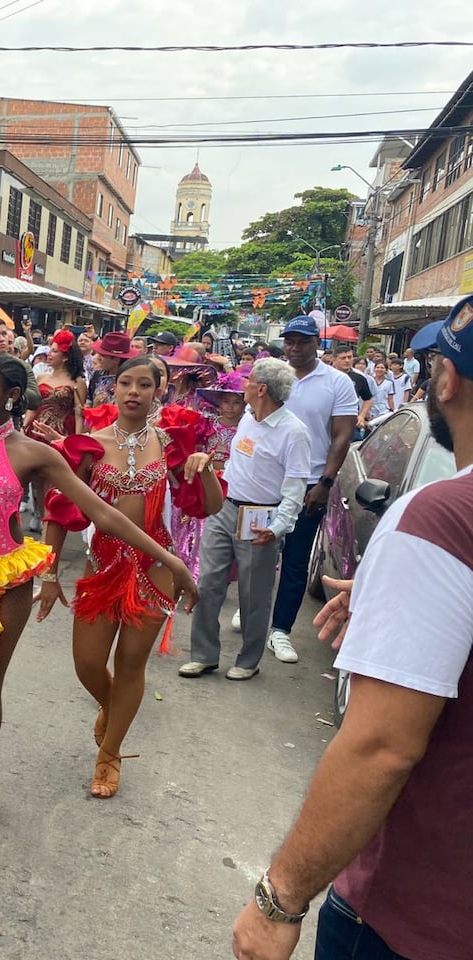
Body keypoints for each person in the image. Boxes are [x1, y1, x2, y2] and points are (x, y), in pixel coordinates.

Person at [230, 295, 473, 960]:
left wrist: (280, 896)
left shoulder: (442, 519)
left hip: (417, 916)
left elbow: (381, 748)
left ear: (443, 382)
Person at [0, 356, 202, 830]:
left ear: (11, 396)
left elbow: (103, 513)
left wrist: (172, 560)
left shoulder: (33, 453)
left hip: (7, 580)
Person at [41, 356, 221, 797]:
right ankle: (111, 708)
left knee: (130, 666)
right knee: (87, 664)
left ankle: (110, 754)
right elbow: (59, 511)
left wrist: (207, 469)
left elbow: (209, 506)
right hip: (101, 565)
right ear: (113, 389)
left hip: (156, 569)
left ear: (158, 391)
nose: (134, 391)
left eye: (145, 384)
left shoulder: (173, 446)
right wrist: (49, 573)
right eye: (126, 382)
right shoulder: (90, 445)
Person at [181, 360, 312, 681]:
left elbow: (296, 489)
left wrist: (277, 526)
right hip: (225, 507)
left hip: (260, 515)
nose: (244, 385)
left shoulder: (294, 432)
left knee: (254, 592)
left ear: (262, 389)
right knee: (208, 582)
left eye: (249, 380)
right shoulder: (248, 420)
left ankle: (248, 660)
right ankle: (204, 655)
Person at [267, 316, 357, 665]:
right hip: (269, 479)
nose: (294, 347)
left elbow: (342, 436)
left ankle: (280, 629)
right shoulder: (273, 375)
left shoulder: (337, 382)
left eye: (302, 341)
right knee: (256, 552)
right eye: (289, 340)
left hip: (310, 483)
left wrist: (326, 482)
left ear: (316, 343)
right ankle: (254, 611)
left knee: (295, 557)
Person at [171, 370, 246, 582]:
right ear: (219, 403)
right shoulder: (206, 424)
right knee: (193, 527)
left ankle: (210, 575)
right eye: (226, 401)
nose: (230, 407)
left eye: (236, 402)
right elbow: (195, 449)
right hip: (206, 478)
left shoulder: (246, 428)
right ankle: (188, 570)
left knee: (218, 531)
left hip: (232, 481)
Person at [25, 329, 87, 439]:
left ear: (65, 357)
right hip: (35, 431)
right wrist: (24, 427)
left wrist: (75, 442)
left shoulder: (77, 382)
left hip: (61, 434)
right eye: (50, 350)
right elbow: (33, 408)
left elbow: (79, 415)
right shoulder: (41, 377)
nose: (48, 354)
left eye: (54, 351)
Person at [331, 346, 374, 441]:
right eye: (343, 358)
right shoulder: (326, 376)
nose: (347, 361)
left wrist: (362, 416)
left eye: (349, 357)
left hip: (350, 423)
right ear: (334, 359)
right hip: (329, 422)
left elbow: (368, 399)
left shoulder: (359, 378)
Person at [87, 332, 139, 407]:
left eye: (102, 355)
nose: (98, 358)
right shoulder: (97, 375)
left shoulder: (131, 381)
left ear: (116, 359)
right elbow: (90, 398)